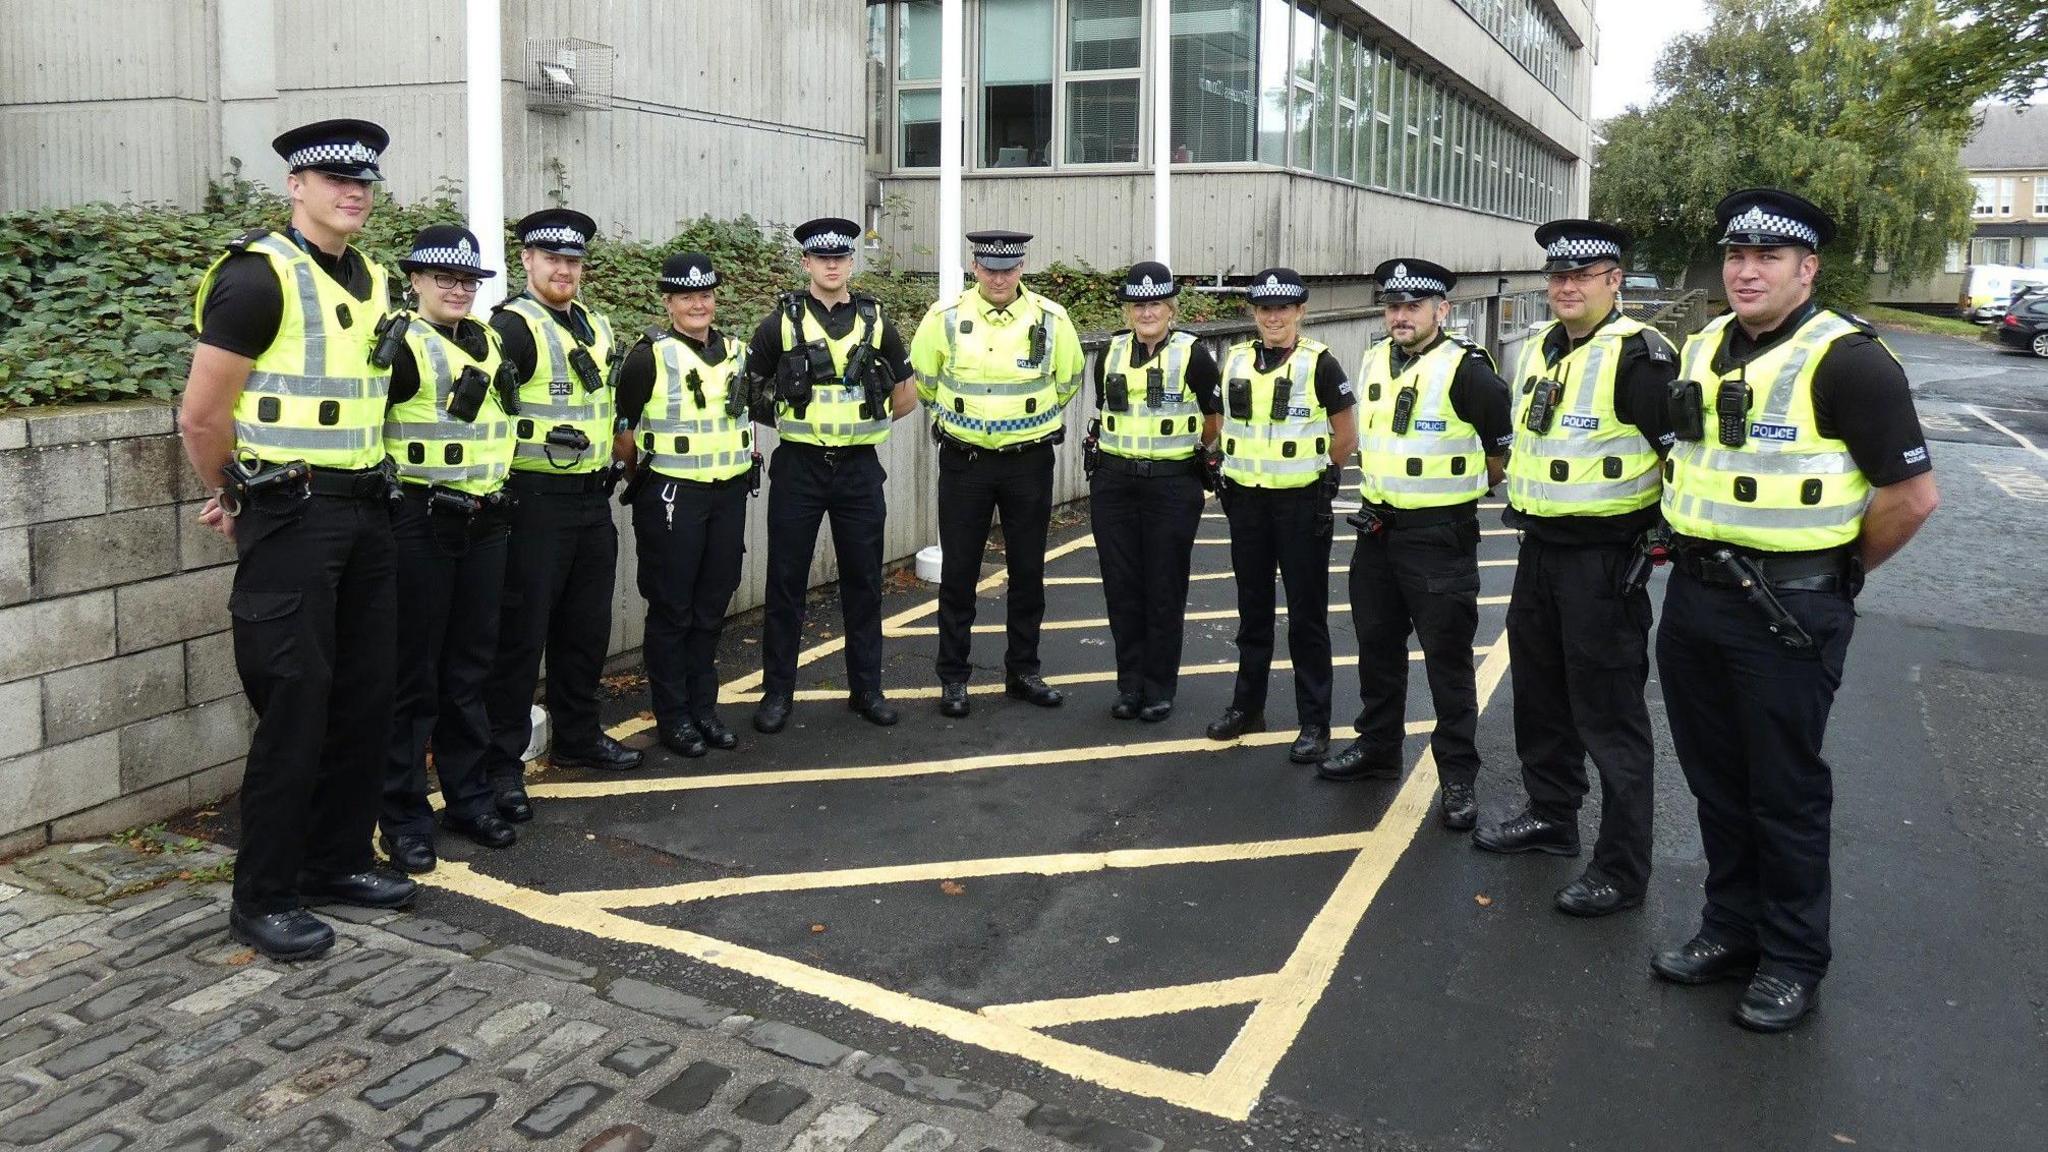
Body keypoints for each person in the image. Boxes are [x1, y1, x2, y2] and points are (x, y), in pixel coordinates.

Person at [1653, 188, 1938, 1032]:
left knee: (1782, 789)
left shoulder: (1849, 359)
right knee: (1715, 780)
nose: (1746, 271)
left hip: (1788, 608)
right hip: (1698, 597)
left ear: (1806, 269)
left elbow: (1913, 498)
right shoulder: (1704, 342)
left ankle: (1791, 959)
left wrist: (1838, 573)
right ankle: (1729, 928)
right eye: (1737, 256)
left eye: (1768, 258)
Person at [180, 118, 417, 959]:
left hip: (365, 510)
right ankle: (264, 896)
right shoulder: (257, 277)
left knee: (364, 695)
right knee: (295, 700)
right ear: (296, 186)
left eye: (364, 182)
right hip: (293, 514)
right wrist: (230, 491)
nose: (353, 192)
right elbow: (203, 415)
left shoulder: (376, 279)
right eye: (334, 179)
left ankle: (337, 862)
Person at [1473, 220, 1678, 915]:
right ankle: (1551, 818)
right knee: (1540, 698)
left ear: (1613, 281)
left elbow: (1687, 461)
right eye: (1557, 276)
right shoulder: (1539, 348)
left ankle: (1621, 869)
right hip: (1539, 552)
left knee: (1611, 719)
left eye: (1581, 276)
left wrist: (1657, 542)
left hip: (1603, 562)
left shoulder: (1643, 358)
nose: (1565, 286)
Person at [1318, 259, 1510, 832]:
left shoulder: (1468, 370)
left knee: (1448, 663)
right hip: (1377, 531)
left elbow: (1498, 458)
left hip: (1439, 536)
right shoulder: (1376, 357)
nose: (1401, 316)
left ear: (1441, 311)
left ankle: (1456, 775)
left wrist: (1447, 493)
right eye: (1393, 305)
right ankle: (1379, 749)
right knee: (1377, 649)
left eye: (1413, 306)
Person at [480, 209, 642, 824]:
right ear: (527, 261)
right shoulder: (510, 328)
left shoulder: (595, 326)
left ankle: (578, 736)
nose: (564, 269)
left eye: (573, 260)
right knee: (520, 640)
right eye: (552, 259)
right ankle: (503, 765)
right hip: (533, 501)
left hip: (589, 501)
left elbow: (613, 412)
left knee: (585, 630)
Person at [377, 225, 520, 874]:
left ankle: (468, 797)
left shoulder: (486, 342)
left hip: (486, 521)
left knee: (470, 670)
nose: (459, 289)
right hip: (422, 522)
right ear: (415, 281)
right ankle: (404, 817)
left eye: (468, 280)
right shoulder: (400, 344)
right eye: (445, 278)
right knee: (414, 676)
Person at [745, 217, 917, 735]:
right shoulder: (779, 322)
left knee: (864, 582)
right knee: (786, 583)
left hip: (859, 470)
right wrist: (797, 422)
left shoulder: (876, 321)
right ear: (807, 264)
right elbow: (751, 393)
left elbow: (907, 393)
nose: (832, 265)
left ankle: (866, 690)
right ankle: (777, 694)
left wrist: (868, 423)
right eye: (822, 259)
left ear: (849, 263)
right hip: (799, 467)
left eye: (840, 258)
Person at [909, 229, 1085, 719]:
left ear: (1022, 268)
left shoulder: (1052, 319)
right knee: (959, 573)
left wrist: (1019, 422)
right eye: (990, 268)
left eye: (1008, 269)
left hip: (1028, 461)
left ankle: (1023, 671)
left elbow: (1068, 379)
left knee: (1028, 571)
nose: (1000, 277)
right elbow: (925, 381)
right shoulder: (945, 318)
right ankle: (953, 678)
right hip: (965, 462)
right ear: (975, 266)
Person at [1205, 268, 1359, 764]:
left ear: (1299, 313)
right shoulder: (1234, 360)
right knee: (1252, 612)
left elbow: (1345, 434)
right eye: (1265, 309)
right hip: (1247, 503)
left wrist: (1321, 477)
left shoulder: (1321, 364)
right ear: (1254, 313)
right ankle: (1246, 707)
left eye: (1283, 309)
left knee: (1306, 616)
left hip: (1299, 505)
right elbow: (1219, 421)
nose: (1274, 317)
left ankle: (1314, 722)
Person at [611, 253, 755, 758]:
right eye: (686, 296)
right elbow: (623, 436)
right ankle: (673, 716)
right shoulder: (648, 355)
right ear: (668, 302)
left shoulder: (738, 351)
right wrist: (644, 483)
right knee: (672, 608)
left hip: (728, 494)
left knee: (712, 605)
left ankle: (705, 709)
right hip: (671, 496)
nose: (698, 304)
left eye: (706, 295)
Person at [1085, 261, 1222, 722]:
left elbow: (1213, 419)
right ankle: (1129, 685)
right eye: (1138, 304)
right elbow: (1105, 410)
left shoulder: (1194, 355)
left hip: (1171, 484)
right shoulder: (1110, 353)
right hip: (1114, 484)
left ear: (1171, 308)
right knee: (1121, 586)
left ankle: (1159, 687)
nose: (1147, 312)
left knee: (1163, 586)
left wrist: (1187, 453)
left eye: (1156, 304)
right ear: (1128, 310)